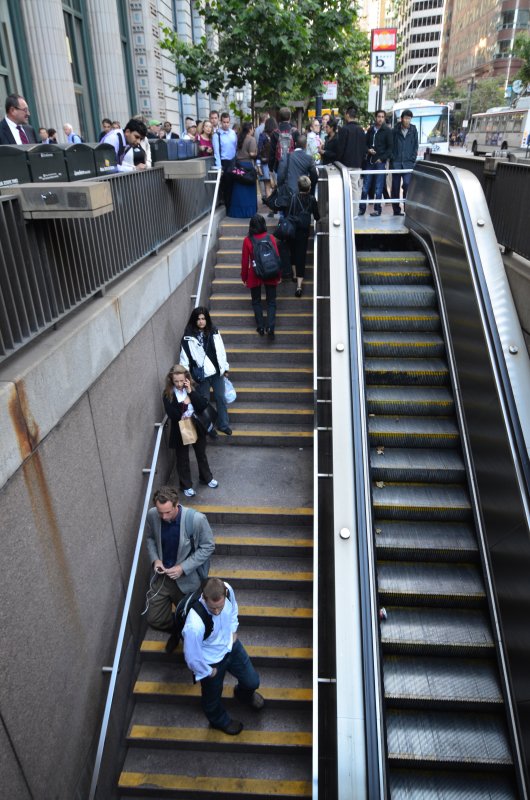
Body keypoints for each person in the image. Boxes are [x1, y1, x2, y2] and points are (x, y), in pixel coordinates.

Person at [183, 577, 264, 735]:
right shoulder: (194, 624)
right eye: (213, 608)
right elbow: (192, 657)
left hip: (231, 646)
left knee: (252, 680)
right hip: (211, 661)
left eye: (220, 607)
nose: (217, 611)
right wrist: (207, 671)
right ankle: (219, 721)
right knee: (211, 700)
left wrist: (233, 630)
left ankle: (242, 694)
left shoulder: (228, 590)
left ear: (224, 593)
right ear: (204, 598)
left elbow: (233, 608)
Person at [144, 485, 215, 652]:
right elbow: (150, 539)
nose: (163, 516)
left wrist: (183, 568)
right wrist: (155, 560)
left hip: (188, 580)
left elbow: (208, 546)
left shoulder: (196, 520)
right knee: (154, 618)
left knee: (191, 618)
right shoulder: (153, 515)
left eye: (168, 512)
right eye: (160, 512)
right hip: (163, 578)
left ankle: (181, 636)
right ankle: (177, 629)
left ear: (177, 505)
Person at [163, 364, 219, 497]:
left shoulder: (193, 388)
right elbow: (173, 414)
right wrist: (185, 404)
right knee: (182, 458)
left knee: (201, 454)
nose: (179, 384)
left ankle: (206, 478)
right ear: (171, 380)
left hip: (197, 424)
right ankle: (186, 485)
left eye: (182, 380)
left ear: (186, 378)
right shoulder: (167, 394)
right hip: (181, 428)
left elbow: (202, 405)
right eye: (176, 381)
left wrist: (190, 392)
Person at [180, 307, 232, 436]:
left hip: (216, 373)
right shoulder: (187, 338)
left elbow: (221, 350)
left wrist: (225, 367)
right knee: (204, 402)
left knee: (221, 398)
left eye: (203, 318)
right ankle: (209, 428)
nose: (201, 321)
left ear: (207, 319)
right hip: (201, 376)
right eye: (198, 319)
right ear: (194, 320)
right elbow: (184, 359)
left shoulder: (214, 331)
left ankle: (223, 425)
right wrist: (186, 378)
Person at [241, 213, 281, 339]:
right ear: (264, 224)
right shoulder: (271, 238)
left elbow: (244, 261)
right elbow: (277, 257)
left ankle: (261, 327)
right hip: (270, 271)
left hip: (255, 272)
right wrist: (279, 275)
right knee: (271, 302)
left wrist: (244, 277)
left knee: (256, 301)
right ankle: (270, 327)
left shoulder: (247, 240)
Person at [289, 175, 320, 297]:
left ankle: (294, 275)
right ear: (309, 187)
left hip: (293, 229)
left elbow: (290, 213)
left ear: (298, 186)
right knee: (301, 256)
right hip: (303, 231)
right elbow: (317, 216)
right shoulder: (312, 199)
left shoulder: (294, 197)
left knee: (293, 251)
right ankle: (299, 286)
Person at [359, 109, 393, 217]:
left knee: (379, 187)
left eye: (382, 117)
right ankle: (362, 209)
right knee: (365, 186)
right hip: (369, 160)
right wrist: (368, 150)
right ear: (375, 117)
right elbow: (364, 144)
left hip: (380, 162)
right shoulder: (370, 130)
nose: (380, 119)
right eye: (379, 116)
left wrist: (382, 158)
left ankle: (377, 210)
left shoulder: (387, 131)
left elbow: (390, 149)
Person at [335, 106, 367, 219]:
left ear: (348, 115)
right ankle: (354, 213)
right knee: (355, 188)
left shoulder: (344, 130)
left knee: (343, 188)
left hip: (345, 165)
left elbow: (340, 148)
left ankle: (344, 211)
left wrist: (337, 160)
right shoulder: (361, 130)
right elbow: (364, 148)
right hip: (357, 164)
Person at [391, 108, 418, 216]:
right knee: (395, 187)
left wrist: (412, 159)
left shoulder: (413, 130)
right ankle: (396, 210)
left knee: (407, 184)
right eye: (406, 118)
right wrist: (393, 158)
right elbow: (391, 145)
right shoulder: (395, 130)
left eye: (409, 118)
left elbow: (416, 146)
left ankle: (407, 209)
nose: (407, 120)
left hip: (408, 163)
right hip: (396, 163)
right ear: (402, 119)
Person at [229, 122, 258, 218]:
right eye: (253, 128)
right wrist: (257, 153)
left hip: (238, 166)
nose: (253, 130)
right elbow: (252, 154)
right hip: (248, 166)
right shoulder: (252, 139)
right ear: (250, 129)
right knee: (249, 190)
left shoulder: (238, 138)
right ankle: (249, 212)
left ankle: (237, 211)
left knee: (239, 190)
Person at [212, 111, 238, 211]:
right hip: (224, 162)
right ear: (220, 122)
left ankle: (232, 206)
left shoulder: (233, 133)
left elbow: (235, 148)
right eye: (224, 122)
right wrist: (219, 167)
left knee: (233, 185)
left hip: (233, 161)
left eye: (227, 122)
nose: (226, 124)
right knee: (226, 186)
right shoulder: (217, 135)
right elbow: (216, 153)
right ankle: (228, 207)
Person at [269, 106, 299, 175]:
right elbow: (298, 149)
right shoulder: (295, 132)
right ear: (290, 117)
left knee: (279, 185)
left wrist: (270, 168)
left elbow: (272, 152)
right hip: (292, 165)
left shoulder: (275, 133)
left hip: (279, 165)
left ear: (279, 117)